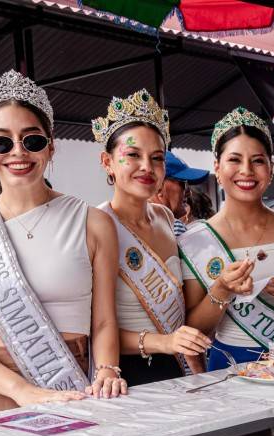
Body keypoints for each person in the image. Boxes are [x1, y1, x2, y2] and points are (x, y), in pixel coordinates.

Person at [0, 70, 126, 417]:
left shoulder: (93, 223)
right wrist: (21, 391)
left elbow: (103, 321)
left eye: (32, 140)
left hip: (72, 383)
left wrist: (108, 370)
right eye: (1, 142)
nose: (18, 152)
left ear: (51, 145)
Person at [179, 107, 274, 370]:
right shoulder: (197, 240)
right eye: (234, 160)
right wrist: (222, 289)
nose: (246, 170)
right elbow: (193, 329)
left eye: (258, 161)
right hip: (230, 368)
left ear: (270, 170)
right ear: (217, 167)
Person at [92, 90, 210, 385]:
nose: (147, 167)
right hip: (124, 375)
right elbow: (93, 328)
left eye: (156, 158)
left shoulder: (166, 218)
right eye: (132, 155)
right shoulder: (94, 225)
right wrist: (165, 343)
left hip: (176, 369)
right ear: (107, 162)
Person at [152, 152, 209, 238]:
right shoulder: (172, 226)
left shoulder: (131, 221)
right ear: (159, 186)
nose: (188, 192)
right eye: (183, 183)